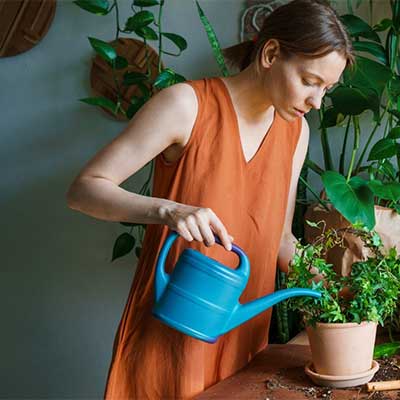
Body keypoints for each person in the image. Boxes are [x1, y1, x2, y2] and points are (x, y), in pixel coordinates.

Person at [66, 0, 353, 397]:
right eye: (309, 81)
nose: (317, 101)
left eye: (327, 89)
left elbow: (281, 240)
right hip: (172, 336)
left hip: (244, 342)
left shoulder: (296, 132)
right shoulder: (185, 105)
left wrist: (343, 291)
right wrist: (167, 210)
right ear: (270, 54)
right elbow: (84, 189)